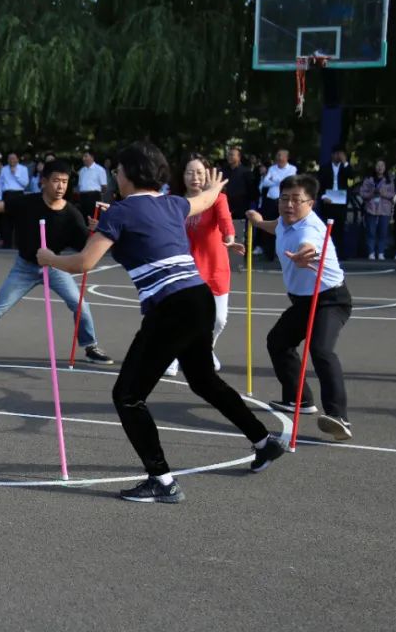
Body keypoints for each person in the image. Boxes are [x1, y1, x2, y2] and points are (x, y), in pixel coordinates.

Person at [38, 141, 286, 503]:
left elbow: (83, 264)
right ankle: (263, 441)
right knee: (204, 380)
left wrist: (48, 258)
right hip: (199, 298)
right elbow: (202, 201)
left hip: (171, 306)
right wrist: (217, 187)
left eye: (119, 170)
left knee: (127, 395)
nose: (116, 176)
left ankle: (162, 480)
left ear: (130, 175)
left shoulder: (120, 212)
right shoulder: (171, 203)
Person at [0, 159, 114, 365]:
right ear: (44, 181)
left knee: (80, 305)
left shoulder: (72, 214)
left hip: (54, 266)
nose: (60, 186)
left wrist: (96, 231)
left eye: (64, 181)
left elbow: (86, 247)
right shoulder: (27, 202)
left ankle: (90, 346)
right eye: (55, 181)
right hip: (24, 267)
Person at [246, 174, 353, 441]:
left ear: (311, 203)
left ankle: (339, 416)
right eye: (285, 199)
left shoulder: (310, 229)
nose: (289, 205)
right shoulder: (285, 221)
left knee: (320, 350)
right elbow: (276, 226)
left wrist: (305, 255)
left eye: (297, 200)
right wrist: (259, 222)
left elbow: (309, 245)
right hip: (304, 301)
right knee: (278, 341)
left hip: (330, 299)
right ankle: (300, 399)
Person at [163, 155, 244, 376]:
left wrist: (229, 237)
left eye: (199, 172)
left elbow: (226, 220)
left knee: (218, 319)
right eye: (190, 172)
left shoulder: (217, 198)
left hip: (215, 267)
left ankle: (205, 349)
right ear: (182, 176)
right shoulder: (174, 199)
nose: (195, 177)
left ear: (208, 174)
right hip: (184, 268)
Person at [256, 149, 297, 259]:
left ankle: (284, 254)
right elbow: (265, 182)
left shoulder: (292, 169)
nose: (279, 158)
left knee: (284, 227)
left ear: (286, 157)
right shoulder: (272, 168)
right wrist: (277, 181)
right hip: (271, 201)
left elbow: (288, 181)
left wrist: (274, 180)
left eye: (281, 156)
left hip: (284, 201)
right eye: (277, 156)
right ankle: (268, 253)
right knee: (269, 226)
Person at [318, 145, 353, 254]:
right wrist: (323, 197)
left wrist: (345, 163)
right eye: (337, 154)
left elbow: (351, 176)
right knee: (328, 227)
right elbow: (320, 185)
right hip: (329, 201)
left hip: (341, 201)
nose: (339, 156)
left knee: (340, 227)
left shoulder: (345, 167)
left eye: (341, 154)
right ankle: (327, 252)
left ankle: (340, 252)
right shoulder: (325, 168)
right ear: (332, 155)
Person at [222, 146, 256, 256]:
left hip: (242, 205)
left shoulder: (246, 172)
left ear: (239, 157)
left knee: (241, 231)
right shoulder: (223, 171)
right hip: (226, 205)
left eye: (232, 155)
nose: (230, 157)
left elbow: (252, 190)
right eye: (228, 154)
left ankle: (243, 253)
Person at [359, 159, 395, 260]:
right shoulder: (368, 179)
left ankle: (381, 252)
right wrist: (371, 194)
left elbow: (393, 194)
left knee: (383, 231)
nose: (380, 168)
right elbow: (362, 193)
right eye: (378, 165)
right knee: (371, 231)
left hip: (384, 209)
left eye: (382, 166)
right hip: (371, 208)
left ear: (385, 168)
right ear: (375, 167)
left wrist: (383, 194)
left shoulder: (389, 180)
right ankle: (371, 252)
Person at [0, 152, 29, 247]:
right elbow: (0, 184)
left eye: (14, 158)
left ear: (17, 159)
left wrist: (16, 174)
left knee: (19, 219)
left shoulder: (23, 169)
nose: (12, 160)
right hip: (7, 195)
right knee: (6, 220)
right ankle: (7, 243)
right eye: (10, 158)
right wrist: (0, 197)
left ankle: (20, 244)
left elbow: (25, 184)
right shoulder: (4, 169)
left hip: (19, 194)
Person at [77, 151, 108, 220]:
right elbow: (79, 185)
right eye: (83, 157)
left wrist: (97, 195)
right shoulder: (81, 170)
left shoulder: (100, 169)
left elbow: (104, 186)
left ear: (92, 157)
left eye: (85, 156)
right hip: (83, 197)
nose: (83, 158)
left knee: (95, 218)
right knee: (84, 218)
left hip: (94, 197)